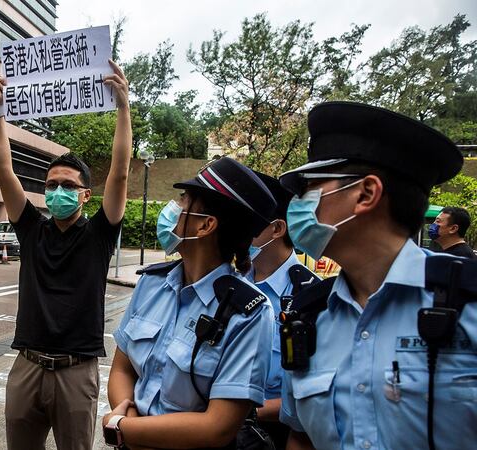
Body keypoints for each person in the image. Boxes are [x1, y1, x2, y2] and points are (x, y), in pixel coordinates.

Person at [277, 101, 476, 450]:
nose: (297, 204)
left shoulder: (469, 304)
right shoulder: (306, 316)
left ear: (366, 194)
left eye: (309, 188)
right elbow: (300, 438)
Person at [0, 60, 131, 450]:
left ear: (85, 195)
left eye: (68, 185)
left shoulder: (100, 233)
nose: (57, 191)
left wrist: (123, 108)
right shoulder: (32, 228)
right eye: (51, 185)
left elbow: (119, 173)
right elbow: (3, 169)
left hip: (76, 372)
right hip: (26, 366)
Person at [103, 157, 277, 449]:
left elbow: (217, 426)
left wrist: (125, 428)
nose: (172, 210)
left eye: (183, 202)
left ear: (206, 225)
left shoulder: (249, 313)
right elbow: (122, 368)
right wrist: (128, 415)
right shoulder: (152, 283)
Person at [247, 172, 319, 449]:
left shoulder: (311, 297)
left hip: (275, 435)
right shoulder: (227, 285)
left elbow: (310, 396)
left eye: (248, 221)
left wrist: (237, 414)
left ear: (277, 229)